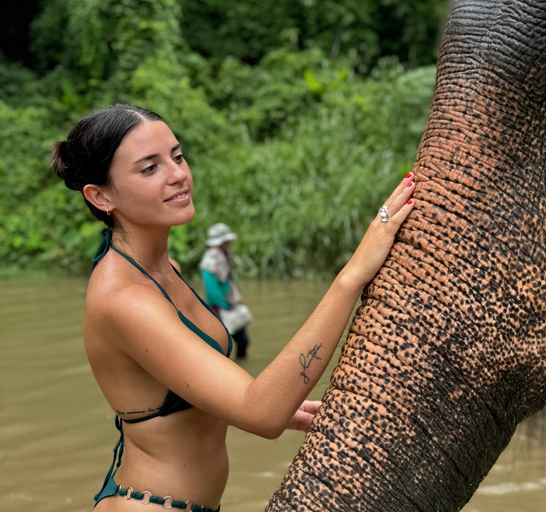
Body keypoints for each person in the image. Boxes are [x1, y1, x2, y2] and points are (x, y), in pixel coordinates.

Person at [51, 104, 415, 511]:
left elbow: (181, 390)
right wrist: (352, 275)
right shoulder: (125, 300)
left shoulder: (164, 268)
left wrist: (246, 405)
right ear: (100, 196)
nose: (177, 175)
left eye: (177, 156)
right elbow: (261, 413)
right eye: (149, 168)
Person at [199, 223, 250, 359]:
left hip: (230, 304)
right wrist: (228, 306)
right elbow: (212, 293)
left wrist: (238, 298)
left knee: (243, 341)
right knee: (223, 346)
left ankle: (240, 367)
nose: (228, 243)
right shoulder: (209, 262)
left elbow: (230, 280)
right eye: (226, 241)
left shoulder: (224, 256)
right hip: (219, 309)